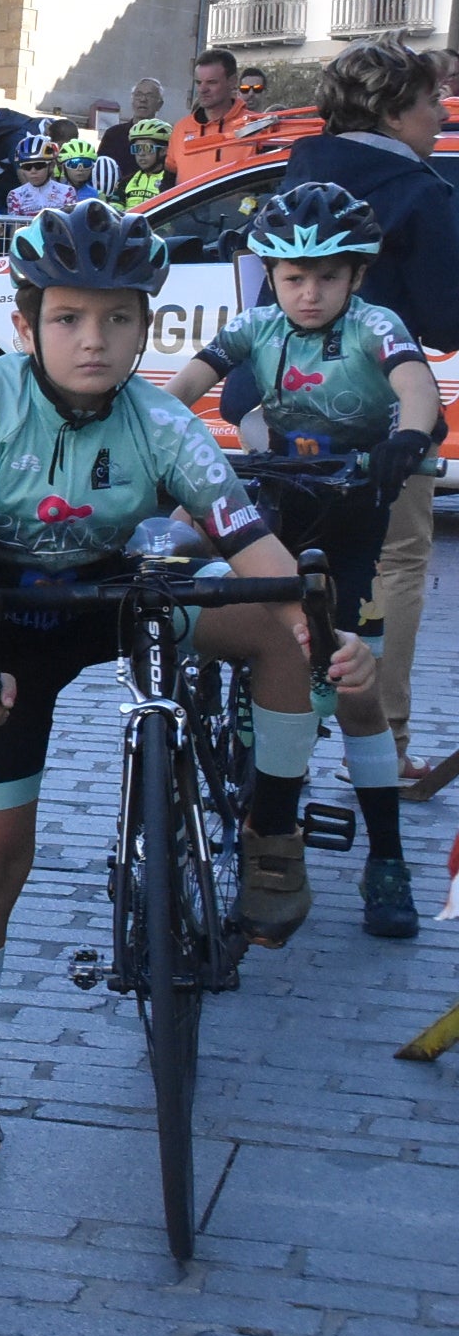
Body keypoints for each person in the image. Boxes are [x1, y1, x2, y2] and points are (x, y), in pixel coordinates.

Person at [0, 201, 368, 1152]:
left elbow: (248, 540)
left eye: (118, 319)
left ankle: (272, 838)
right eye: (70, 318)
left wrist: (315, 627)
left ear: (146, 325)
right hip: (7, 615)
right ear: (25, 323)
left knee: (281, 633)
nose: (96, 341)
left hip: (121, 593)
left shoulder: (161, 416)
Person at [163, 182, 439, 938]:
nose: (309, 292)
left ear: (355, 277)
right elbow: (182, 390)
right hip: (281, 495)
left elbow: (416, 389)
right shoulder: (255, 328)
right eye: (293, 278)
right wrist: (148, 436)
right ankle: (262, 793)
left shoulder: (376, 325)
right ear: (271, 278)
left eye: (327, 276)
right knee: (271, 638)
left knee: (353, 688)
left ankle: (387, 859)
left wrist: (410, 439)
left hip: (358, 503)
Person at [278, 39, 459, 787]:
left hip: (286, 395)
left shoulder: (302, 166)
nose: (440, 114)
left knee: (291, 566)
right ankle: (383, 743)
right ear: (392, 111)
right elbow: (450, 320)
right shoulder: (419, 189)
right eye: (428, 102)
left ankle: (280, 724)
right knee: (393, 564)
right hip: (385, 406)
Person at [168, 48, 262, 182]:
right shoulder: (181, 128)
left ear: (232, 81)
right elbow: (168, 183)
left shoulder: (255, 126)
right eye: (199, 82)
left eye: (211, 82)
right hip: (190, 203)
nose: (202, 89)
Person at [100, 77, 168, 178]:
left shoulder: (166, 136)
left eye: (149, 95)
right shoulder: (113, 134)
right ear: (132, 101)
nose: (143, 99)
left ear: (160, 104)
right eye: (138, 95)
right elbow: (101, 168)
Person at [2, 134, 72, 216]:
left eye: (39, 165)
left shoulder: (67, 192)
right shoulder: (15, 195)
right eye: (26, 166)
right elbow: (15, 228)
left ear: (52, 166)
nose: (33, 171)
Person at [115, 118, 176, 206]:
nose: (141, 153)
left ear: (163, 151)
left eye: (147, 148)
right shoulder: (126, 181)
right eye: (137, 148)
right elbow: (115, 209)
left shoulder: (172, 182)